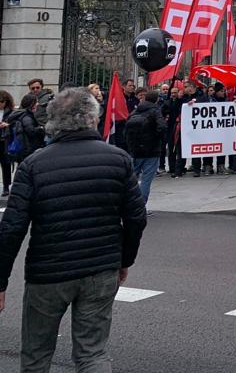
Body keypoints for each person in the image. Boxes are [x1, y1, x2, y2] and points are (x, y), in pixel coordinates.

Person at [0, 87, 147, 372]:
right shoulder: (117, 159)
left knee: (36, 356)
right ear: (93, 118)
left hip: (48, 273)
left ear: (52, 121)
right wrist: (124, 260)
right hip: (100, 267)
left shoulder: (33, 165)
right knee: (92, 354)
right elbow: (136, 217)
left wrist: (1, 280)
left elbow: (12, 228)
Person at [124, 89, 167, 207]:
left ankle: (128, 204)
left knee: (131, 180)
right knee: (146, 181)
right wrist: (159, 139)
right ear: (157, 99)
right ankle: (141, 206)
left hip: (135, 151)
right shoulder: (155, 111)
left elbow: (126, 131)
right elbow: (162, 127)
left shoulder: (135, 111)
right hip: (152, 151)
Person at [8, 94, 45, 165]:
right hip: (28, 148)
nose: (37, 104)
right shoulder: (26, 116)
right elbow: (31, 131)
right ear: (31, 104)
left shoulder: (20, 114)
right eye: (36, 102)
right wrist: (41, 128)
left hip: (23, 148)